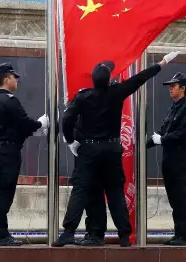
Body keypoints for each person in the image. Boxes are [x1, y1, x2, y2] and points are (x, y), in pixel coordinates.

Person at [55, 53, 178, 247]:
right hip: (112, 150)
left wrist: (71, 141)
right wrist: (162, 63)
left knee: (81, 190)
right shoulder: (117, 92)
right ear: (108, 80)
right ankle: (124, 236)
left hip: (89, 151)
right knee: (115, 194)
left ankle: (68, 232)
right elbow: (139, 78)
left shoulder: (82, 97)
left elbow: (67, 119)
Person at [0, 62, 49, 246]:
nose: (17, 80)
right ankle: (0, 235)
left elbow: (14, 127)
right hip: (9, 152)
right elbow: (24, 123)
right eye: (14, 77)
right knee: (4, 194)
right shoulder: (10, 101)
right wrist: (40, 124)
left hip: (1, 150)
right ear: (6, 79)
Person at [147, 72, 186, 246]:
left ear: (182, 88)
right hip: (169, 160)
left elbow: (184, 134)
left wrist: (162, 139)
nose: (170, 89)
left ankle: (184, 235)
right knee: (174, 199)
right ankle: (179, 233)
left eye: (173, 86)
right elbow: (163, 131)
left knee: (181, 197)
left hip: (180, 159)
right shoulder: (173, 108)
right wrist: (142, 145)